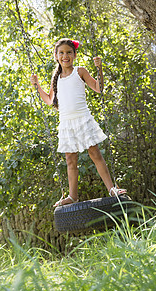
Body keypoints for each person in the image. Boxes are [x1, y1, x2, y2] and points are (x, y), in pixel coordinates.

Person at [30, 38, 126, 207]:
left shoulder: (79, 71)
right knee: (70, 160)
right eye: (61, 53)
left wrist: (99, 69)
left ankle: (111, 189)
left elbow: (99, 88)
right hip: (66, 123)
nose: (65, 56)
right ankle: (73, 196)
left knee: (95, 153)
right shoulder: (56, 78)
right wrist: (37, 86)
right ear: (56, 56)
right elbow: (50, 100)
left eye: (68, 52)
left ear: (74, 54)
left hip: (82, 119)